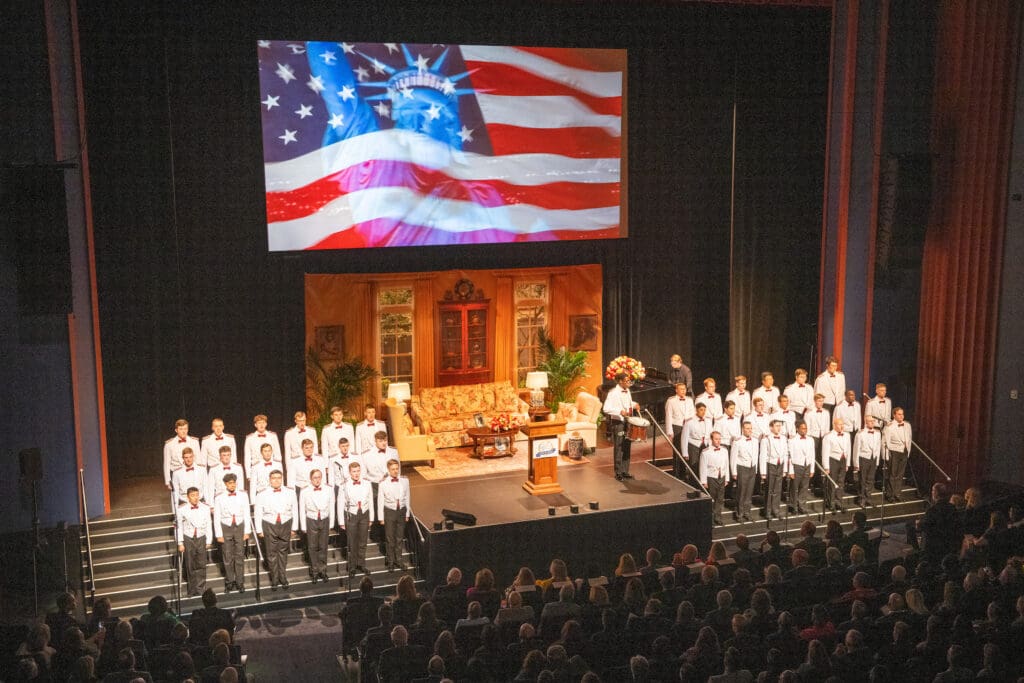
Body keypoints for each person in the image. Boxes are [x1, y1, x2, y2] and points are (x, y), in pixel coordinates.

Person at [253, 469, 298, 589]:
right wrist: (259, 530)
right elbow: (258, 513)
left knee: (283, 552)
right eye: (274, 478)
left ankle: (282, 577)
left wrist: (294, 527)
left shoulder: (290, 492)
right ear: (270, 480)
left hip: (286, 524)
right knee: (271, 553)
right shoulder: (262, 494)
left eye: (279, 478)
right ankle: (274, 578)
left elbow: (295, 510)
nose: (276, 480)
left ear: (282, 478)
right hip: (269, 524)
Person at [213, 473, 251, 593]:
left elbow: (246, 513)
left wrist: (247, 531)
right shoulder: (219, 497)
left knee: (239, 556)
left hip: (239, 526)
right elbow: (217, 517)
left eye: (234, 482)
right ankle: (229, 581)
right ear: (225, 484)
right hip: (226, 528)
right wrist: (219, 534)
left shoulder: (243, 495)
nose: (232, 485)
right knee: (227, 557)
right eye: (230, 483)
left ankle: (240, 582)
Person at [299, 468, 334, 583]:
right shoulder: (305, 491)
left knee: (323, 546)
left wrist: (332, 523)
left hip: (324, 519)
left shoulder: (328, 489)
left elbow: (331, 507)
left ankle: (323, 571)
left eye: (319, 477)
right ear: (310, 479)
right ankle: (314, 571)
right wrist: (303, 526)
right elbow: (301, 510)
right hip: (311, 519)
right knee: (312, 547)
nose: (317, 480)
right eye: (315, 478)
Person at [339, 461, 374, 576]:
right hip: (351, 514)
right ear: (349, 472)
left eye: (358, 471)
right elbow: (340, 504)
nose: (356, 473)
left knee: (363, 541)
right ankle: (352, 566)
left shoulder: (367, 483)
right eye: (354, 471)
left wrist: (371, 518)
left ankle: (361, 564)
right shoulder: (344, 485)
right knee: (352, 541)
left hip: (364, 513)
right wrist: (341, 521)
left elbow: (370, 501)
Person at [176, 486, 212, 597]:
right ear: (188, 497)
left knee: (201, 564)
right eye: (192, 495)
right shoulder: (182, 509)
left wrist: (209, 540)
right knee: (190, 564)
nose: (195, 498)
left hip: (201, 537)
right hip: (188, 537)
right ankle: (192, 589)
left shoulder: (205, 508)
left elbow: (209, 524)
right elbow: (179, 527)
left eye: (197, 495)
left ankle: (201, 589)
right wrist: (180, 542)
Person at [602, 372, 638, 481]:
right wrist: (619, 412)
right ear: (620, 381)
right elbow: (606, 408)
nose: (629, 383)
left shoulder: (627, 390)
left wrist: (634, 404)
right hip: (618, 422)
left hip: (628, 421)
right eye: (627, 381)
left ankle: (625, 471)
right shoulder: (613, 393)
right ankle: (618, 472)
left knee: (627, 445)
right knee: (619, 447)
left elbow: (628, 403)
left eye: (629, 381)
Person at [377, 458, 412, 572]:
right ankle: (391, 561)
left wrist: (407, 514)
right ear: (388, 470)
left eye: (397, 468)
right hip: (389, 512)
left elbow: (407, 498)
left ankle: (399, 560)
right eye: (393, 469)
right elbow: (380, 501)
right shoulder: (383, 483)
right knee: (390, 538)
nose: (396, 471)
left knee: (399, 537)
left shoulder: (405, 481)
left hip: (401, 511)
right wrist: (381, 518)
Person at [759, 420, 789, 519]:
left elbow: (785, 454)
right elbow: (763, 456)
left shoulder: (784, 438)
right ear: (771, 427)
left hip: (780, 465)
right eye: (776, 426)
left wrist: (785, 469)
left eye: (780, 426)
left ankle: (776, 510)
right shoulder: (766, 439)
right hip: (770, 465)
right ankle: (767, 511)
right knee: (770, 489)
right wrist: (763, 472)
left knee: (778, 489)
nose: (779, 428)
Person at [822, 417, 851, 512]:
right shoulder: (828, 436)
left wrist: (847, 463)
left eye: (842, 424)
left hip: (843, 460)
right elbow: (825, 453)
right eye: (839, 424)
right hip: (833, 460)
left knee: (841, 483)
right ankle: (831, 504)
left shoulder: (847, 435)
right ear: (834, 425)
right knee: (832, 483)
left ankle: (839, 503)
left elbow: (848, 450)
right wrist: (826, 467)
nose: (841, 426)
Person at [730, 422, 758, 522]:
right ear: (743, 429)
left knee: (749, 492)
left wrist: (756, 469)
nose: (749, 430)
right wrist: (734, 472)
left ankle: (747, 512)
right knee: (741, 492)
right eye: (747, 428)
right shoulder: (737, 441)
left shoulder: (755, 440)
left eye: (750, 428)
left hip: (752, 468)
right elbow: (733, 458)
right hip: (742, 467)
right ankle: (739, 513)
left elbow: (756, 456)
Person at [882, 407, 911, 502]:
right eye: (899, 414)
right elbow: (885, 442)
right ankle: (890, 494)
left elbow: (909, 439)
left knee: (900, 474)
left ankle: (897, 493)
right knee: (892, 474)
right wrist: (885, 456)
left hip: (904, 451)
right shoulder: (889, 426)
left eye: (902, 414)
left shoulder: (907, 425)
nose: (901, 416)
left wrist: (908, 451)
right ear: (894, 415)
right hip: (894, 452)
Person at [700, 432, 729, 526]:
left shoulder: (724, 450)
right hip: (711, 477)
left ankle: (718, 517)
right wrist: (703, 481)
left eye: (719, 439)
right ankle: (710, 519)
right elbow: (703, 467)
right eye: (716, 439)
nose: (718, 441)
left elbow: (726, 465)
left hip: (722, 477)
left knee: (720, 499)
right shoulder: (706, 452)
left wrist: (727, 478)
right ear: (712, 439)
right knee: (711, 499)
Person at [664, 382, 695, 472]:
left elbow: (692, 413)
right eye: (681, 389)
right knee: (678, 449)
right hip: (677, 427)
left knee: (687, 448)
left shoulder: (689, 400)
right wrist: (669, 431)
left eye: (684, 389)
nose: (683, 391)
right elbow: (668, 416)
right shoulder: (671, 401)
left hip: (688, 426)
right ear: (676, 390)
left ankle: (685, 471)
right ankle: (677, 472)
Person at [852, 415, 881, 508]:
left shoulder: (877, 433)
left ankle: (868, 498)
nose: (872, 423)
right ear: (865, 422)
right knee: (862, 480)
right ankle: (862, 499)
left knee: (870, 480)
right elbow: (856, 449)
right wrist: (856, 464)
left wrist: (877, 462)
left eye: (873, 421)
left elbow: (878, 448)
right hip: (863, 458)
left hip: (873, 458)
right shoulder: (860, 434)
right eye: (870, 421)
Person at [163, 419, 200, 491]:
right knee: (177, 498)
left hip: (192, 474)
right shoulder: (169, 444)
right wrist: (167, 480)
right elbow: (166, 463)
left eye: (185, 429)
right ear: (176, 430)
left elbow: (198, 460)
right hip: (177, 475)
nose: (183, 431)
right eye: (181, 429)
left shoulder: (194, 442)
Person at [788, 421, 815, 514]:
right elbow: (789, 456)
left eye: (806, 428)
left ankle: (802, 505)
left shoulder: (811, 440)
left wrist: (812, 469)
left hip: (807, 465)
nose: (805, 430)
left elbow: (812, 455)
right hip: (797, 465)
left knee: (804, 487)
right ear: (797, 429)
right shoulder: (792, 440)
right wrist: (791, 470)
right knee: (795, 487)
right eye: (803, 428)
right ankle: (793, 506)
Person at [682, 402, 712, 482]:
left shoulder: (708, 421)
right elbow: (684, 437)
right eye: (701, 410)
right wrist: (685, 453)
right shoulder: (689, 422)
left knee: (705, 466)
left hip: (705, 446)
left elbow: (710, 435)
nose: (703, 412)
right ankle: (694, 485)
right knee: (694, 467)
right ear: (696, 410)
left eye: (704, 410)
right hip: (694, 446)